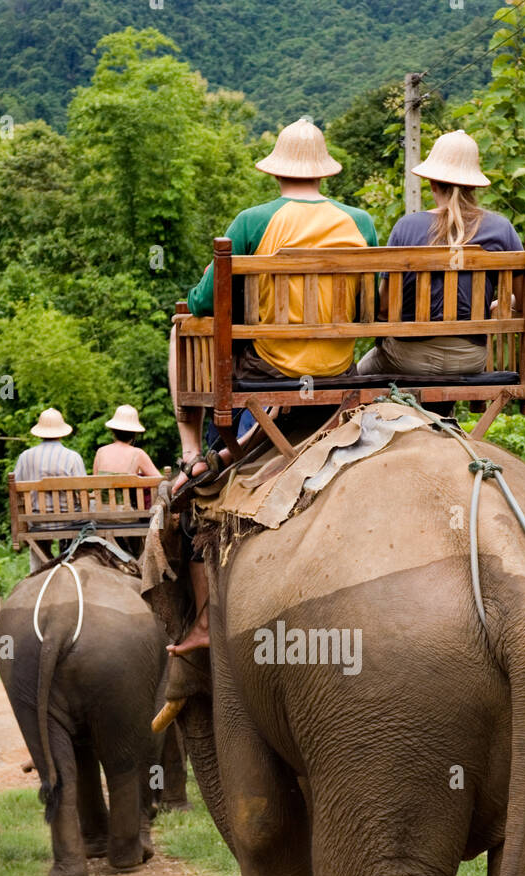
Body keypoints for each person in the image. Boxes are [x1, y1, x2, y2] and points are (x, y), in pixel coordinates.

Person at [166, 119, 378, 659]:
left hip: (271, 368)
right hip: (339, 370)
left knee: (178, 327)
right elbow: (370, 303)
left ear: (278, 170)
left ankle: (192, 454)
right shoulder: (360, 221)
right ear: (323, 170)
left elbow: (204, 303)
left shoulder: (251, 222)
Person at [357, 130, 523, 380]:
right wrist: (501, 304)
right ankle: (440, 420)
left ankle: (397, 419)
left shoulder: (407, 226)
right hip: (471, 358)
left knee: (359, 373)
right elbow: (524, 302)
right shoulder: (501, 228)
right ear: (474, 185)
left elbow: (384, 307)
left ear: (432, 183)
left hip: (407, 357)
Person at [13, 408, 86, 572]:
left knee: (38, 548)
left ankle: (37, 572)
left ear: (40, 433)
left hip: (36, 521)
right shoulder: (72, 457)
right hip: (69, 521)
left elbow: (16, 491)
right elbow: (82, 492)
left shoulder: (25, 456)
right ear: (61, 432)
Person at [93, 404, 161, 480]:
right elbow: (160, 480)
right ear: (134, 433)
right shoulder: (138, 454)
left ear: (113, 431)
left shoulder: (101, 452)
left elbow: (95, 482)